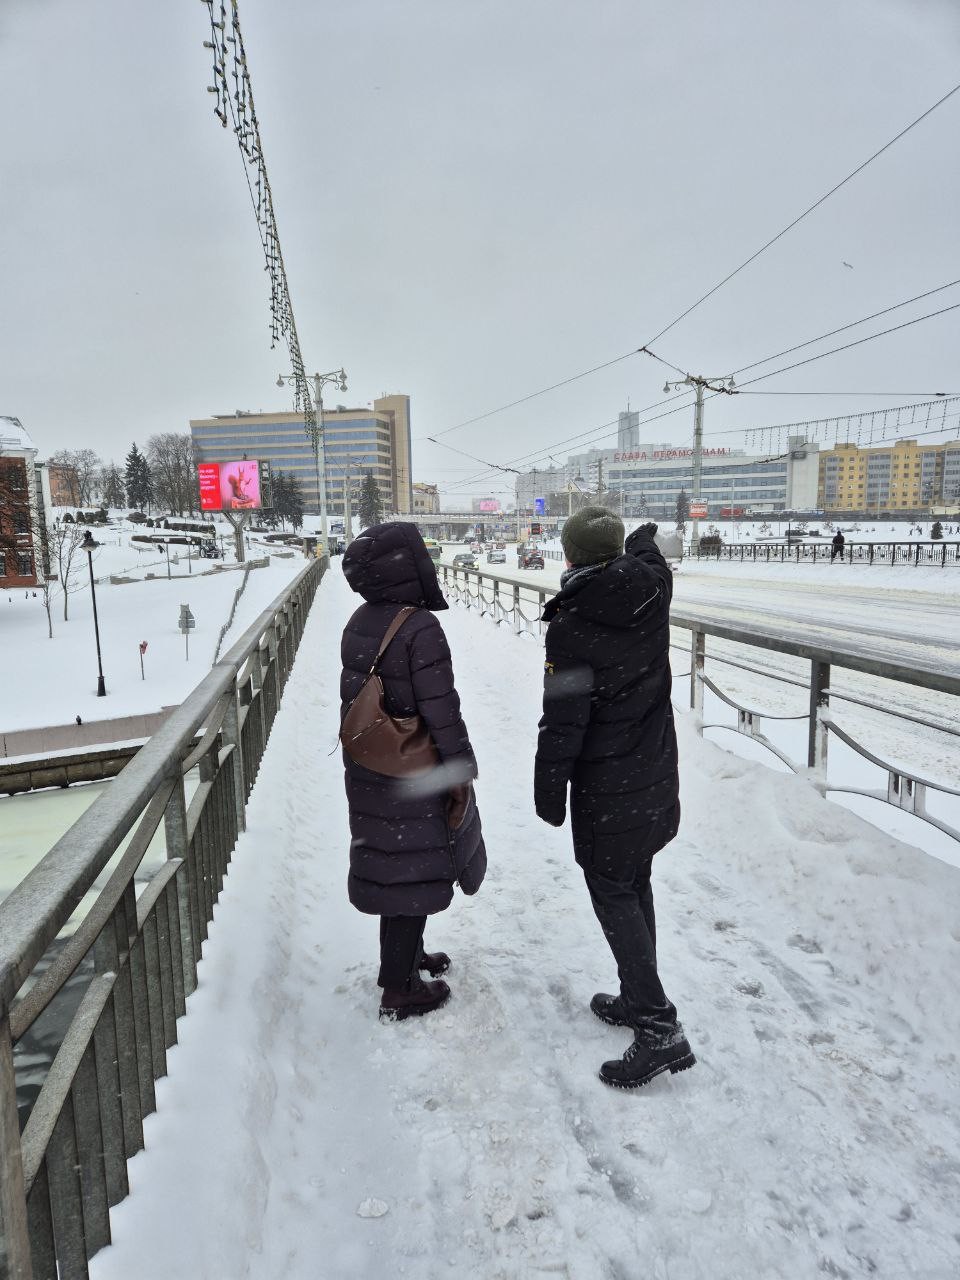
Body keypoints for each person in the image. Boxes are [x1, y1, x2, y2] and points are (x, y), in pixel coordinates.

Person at [534, 508, 695, 1089]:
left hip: (608, 785)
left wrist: (548, 789)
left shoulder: (573, 624)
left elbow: (564, 721)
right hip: (652, 773)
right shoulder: (652, 591)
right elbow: (651, 557)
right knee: (634, 880)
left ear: (570, 556)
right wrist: (641, 537)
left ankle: (657, 1026)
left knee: (613, 890)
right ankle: (636, 995)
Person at [340, 522, 486, 1021]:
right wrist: (459, 767)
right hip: (413, 768)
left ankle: (407, 958)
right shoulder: (419, 627)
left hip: (372, 763)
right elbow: (441, 707)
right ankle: (400, 990)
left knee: (394, 866)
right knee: (411, 868)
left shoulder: (362, 619)